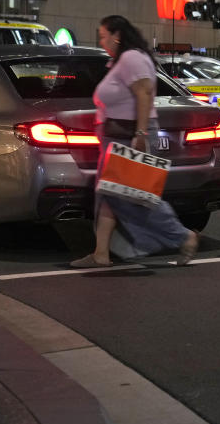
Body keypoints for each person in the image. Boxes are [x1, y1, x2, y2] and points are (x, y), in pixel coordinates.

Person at [71, 15, 199, 268]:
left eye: (103, 34)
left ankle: (183, 236)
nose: (101, 39)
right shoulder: (121, 61)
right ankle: (101, 253)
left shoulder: (131, 58)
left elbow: (144, 93)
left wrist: (140, 134)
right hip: (116, 138)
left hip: (128, 137)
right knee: (109, 195)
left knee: (135, 197)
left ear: (117, 35)